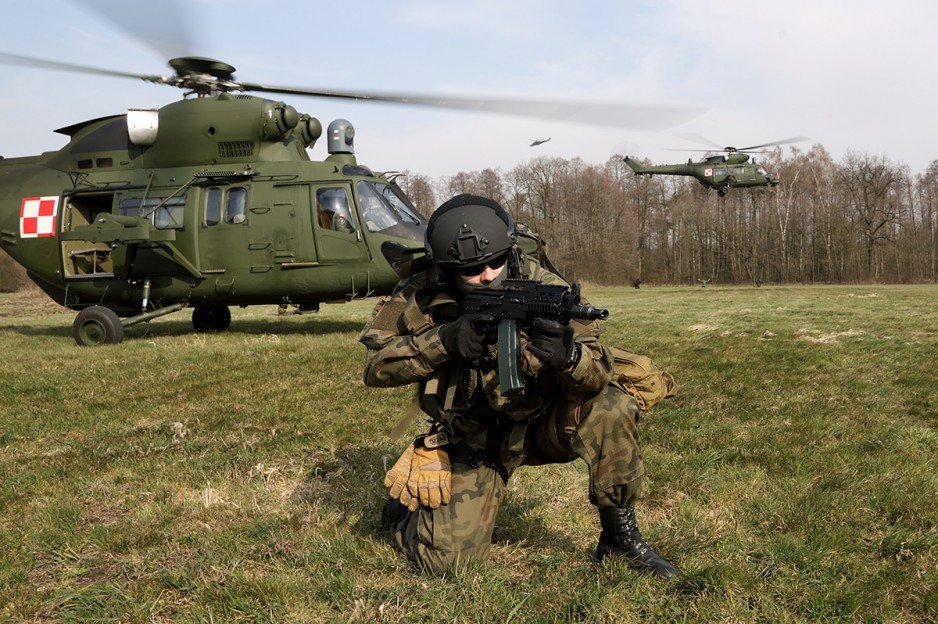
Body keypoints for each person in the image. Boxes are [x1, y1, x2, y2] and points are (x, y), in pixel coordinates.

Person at [359, 193, 679, 577]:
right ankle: (409, 513)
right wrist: (441, 342)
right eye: (473, 269)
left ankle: (619, 538)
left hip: (544, 426)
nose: (488, 275)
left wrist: (570, 357)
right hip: (473, 439)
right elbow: (375, 368)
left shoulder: (545, 288)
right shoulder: (419, 295)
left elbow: (598, 375)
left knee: (612, 407)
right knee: (447, 565)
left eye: (495, 262)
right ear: (445, 270)